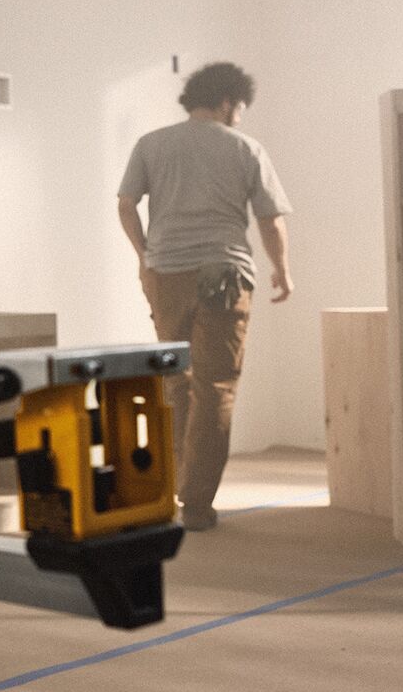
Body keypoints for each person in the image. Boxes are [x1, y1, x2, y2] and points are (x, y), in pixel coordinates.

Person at [116, 61, 293, 532]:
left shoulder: (151, 144)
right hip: (224, 272)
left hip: (166, 273)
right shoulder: (245, 148)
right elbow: (270, 220)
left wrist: (144, 255)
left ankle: (171, 487)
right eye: (240, 108)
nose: (240, 117)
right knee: (215, 386)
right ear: (227, 102)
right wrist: (282, 271)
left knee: (176, 382)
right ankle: (194, 503)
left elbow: (126, 204)